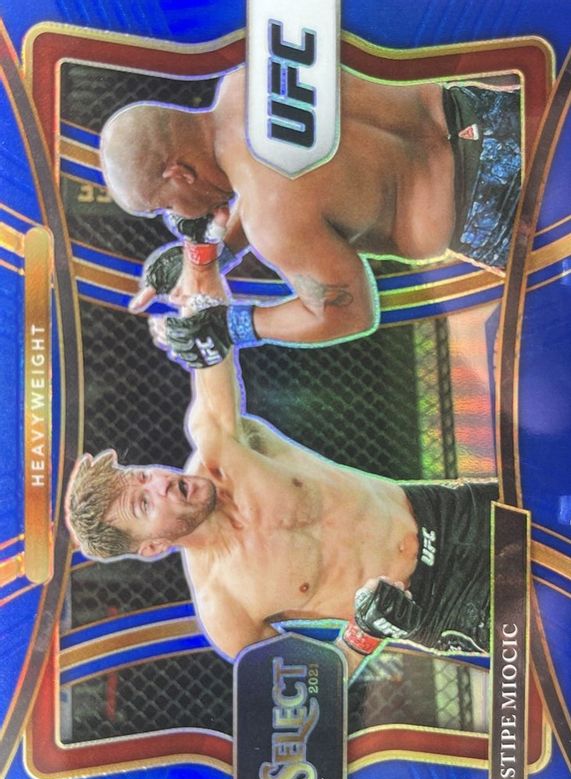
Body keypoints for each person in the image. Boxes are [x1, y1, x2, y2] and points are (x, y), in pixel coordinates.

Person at [65, 243, 497, 666]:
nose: (159, 483)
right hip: (442, 606)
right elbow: (308, 696)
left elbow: (209, 332)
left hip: (449, 512)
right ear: (154, 547)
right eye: (144, 503)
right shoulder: (225, 608)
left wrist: (196, 260)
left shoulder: (220, 449)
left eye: (143, 476)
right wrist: (364, 635)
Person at [100, 68, 521, 350]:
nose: (179, 217)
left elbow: (349, 313)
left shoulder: (271, 220)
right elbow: (283, 179)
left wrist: (229, 326)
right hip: (490, 112)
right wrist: (212, 254)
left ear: (178, 173)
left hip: (501, 211)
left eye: (165, 206)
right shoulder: (248, 78)